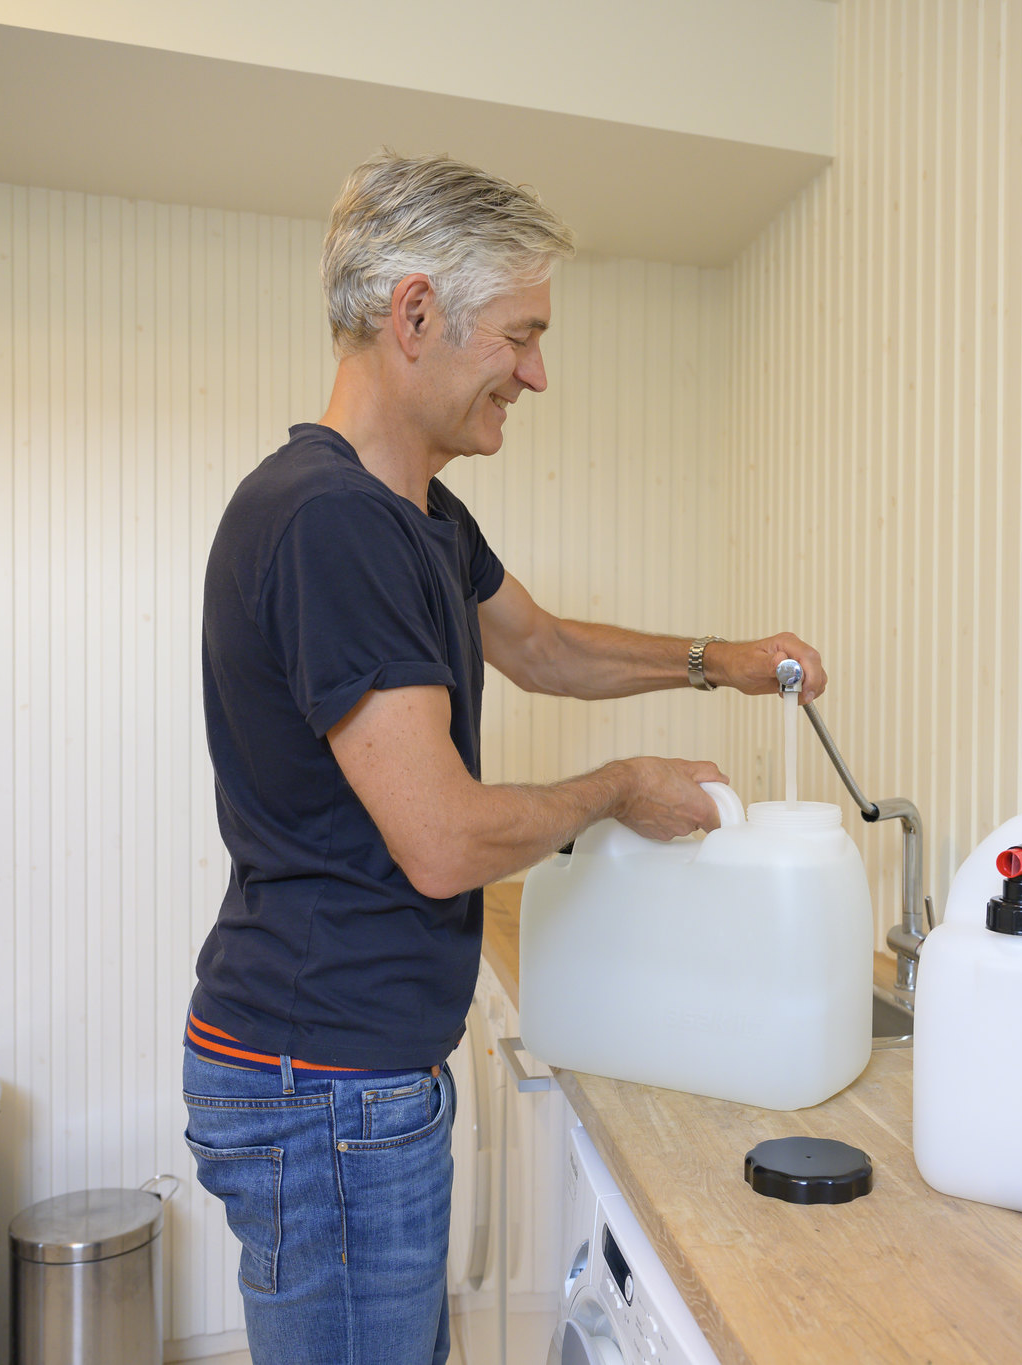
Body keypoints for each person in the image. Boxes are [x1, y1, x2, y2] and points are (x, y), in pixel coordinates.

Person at [182, 151, 827, 1365]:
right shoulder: (332, 524)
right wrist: (618, 790)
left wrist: (718, 659)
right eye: (520, 336)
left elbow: (542, 647)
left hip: (335, 1072)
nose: (536, 372)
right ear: (414, 315)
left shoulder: (418, 513)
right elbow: (440, 842)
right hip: (321, 1080)